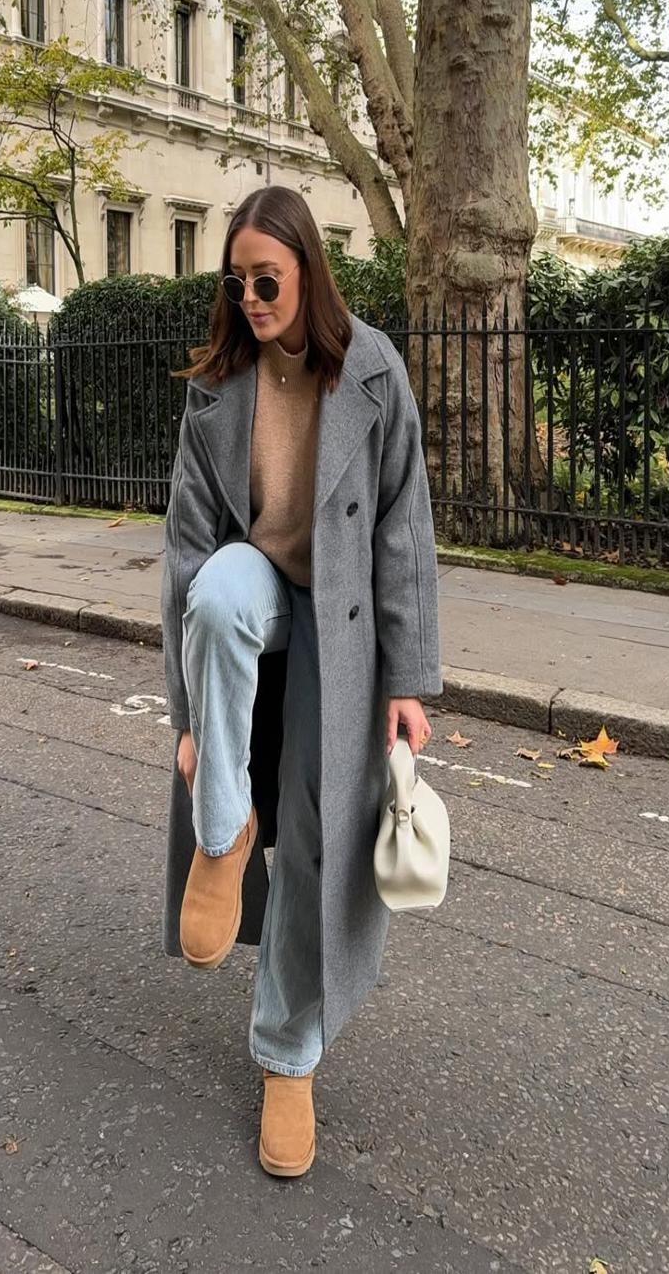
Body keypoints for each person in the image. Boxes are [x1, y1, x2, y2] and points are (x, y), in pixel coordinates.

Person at [160, 184, 441, 1179]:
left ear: (307, 273)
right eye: (235, 283)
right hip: (258, 601)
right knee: (220, 586)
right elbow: (186, 556)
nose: (249, 299)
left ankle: (287, 1056)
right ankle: (222, 832)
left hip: (344, 623)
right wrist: (191, 722)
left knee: (320, 829)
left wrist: (407, 679)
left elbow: (405, 528)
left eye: (265, 280)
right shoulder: (216, 391)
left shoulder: (370, 372)